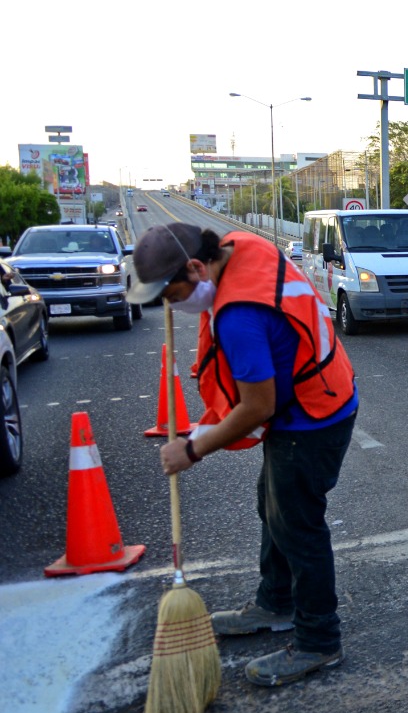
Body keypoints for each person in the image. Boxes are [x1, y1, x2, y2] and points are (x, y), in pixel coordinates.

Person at [126, 223, 359, 687]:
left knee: (297, 525)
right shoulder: (240, 245)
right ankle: (276, 603)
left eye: (171, 294)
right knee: (271, 506)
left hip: (313, 415)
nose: (170, 305)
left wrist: (191, 449)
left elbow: (257, 407)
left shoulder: (238, 317)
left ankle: (319, 640)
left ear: (197, 267)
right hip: (317, 392)